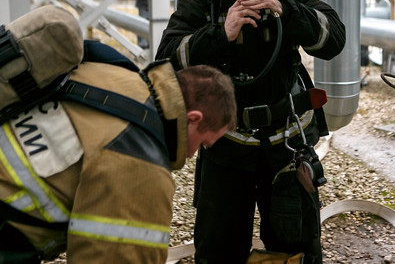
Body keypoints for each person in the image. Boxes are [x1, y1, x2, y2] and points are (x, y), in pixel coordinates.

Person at [156, 0, 345, 264]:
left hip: (287, 145)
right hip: (226, 146)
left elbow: (334, 40)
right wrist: (220, 34)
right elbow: (166, 59)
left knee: (294, 251)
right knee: (218, 252)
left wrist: (285, 11)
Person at [0, 52, 236, 263]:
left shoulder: (110, 74)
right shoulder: (141, 164)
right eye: (202, 143)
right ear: (193, 119)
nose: (193, 154)